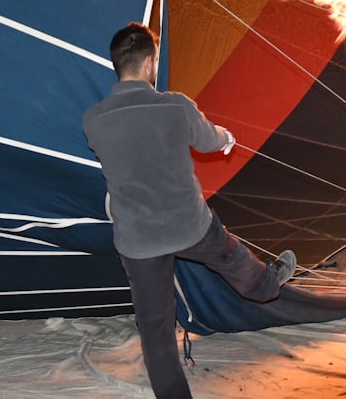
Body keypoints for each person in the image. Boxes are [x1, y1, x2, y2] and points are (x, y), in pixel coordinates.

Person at [83, 23, 296, 399]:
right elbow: (209, 139)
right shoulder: (175, 106)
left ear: (117, 64)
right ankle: (268, 285)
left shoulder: (93, 120)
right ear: (150, 63)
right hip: (189, 226)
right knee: (232, 257)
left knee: (155, 330)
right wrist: (227, 138)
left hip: (138, 241)